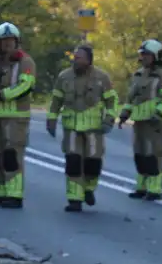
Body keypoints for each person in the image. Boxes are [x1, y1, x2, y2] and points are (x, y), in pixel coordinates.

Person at [46, 45, 118, 212]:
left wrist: (109, 119)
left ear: (89, 60)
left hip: (94, 129)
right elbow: (56, 100)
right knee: (73, 162)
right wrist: (51, 119)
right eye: (75, 57)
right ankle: (74, 200)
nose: (76, 60)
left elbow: (111, 101)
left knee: (93, 163)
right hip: (71, 128)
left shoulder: (101, 77)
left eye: (80, 58)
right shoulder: (64, 77)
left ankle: (88, 189)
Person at [0, 22, 36, 209]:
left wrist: (0, 95)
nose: (8, 44)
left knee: (12, 156)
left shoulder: (25, 62)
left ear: (17, 42)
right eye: (4, 41)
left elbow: (25, 86)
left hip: (16, 118)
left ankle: (15, 195)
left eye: (11, 41)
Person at [119, 39, 162, 201]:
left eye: (147, 55)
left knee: (155, 154)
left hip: (156, 122)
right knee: (140, 154)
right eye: (142, 55)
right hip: (140, 121)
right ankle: (141, 187)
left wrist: (158, 113)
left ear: (156, 56)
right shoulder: (138, 74)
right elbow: (131, 97)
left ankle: (154, 189)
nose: (143, 58)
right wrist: (124, 114)